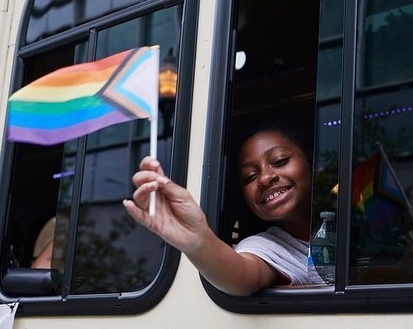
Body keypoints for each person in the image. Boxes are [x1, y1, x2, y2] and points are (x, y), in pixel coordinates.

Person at [123, 125, 325, 296]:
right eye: (250, 176)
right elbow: (240, 274)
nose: (264, 178)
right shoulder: (268, 247)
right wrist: (199, 243)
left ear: (312, 163)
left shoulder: (352, 220)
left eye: (280, 161)